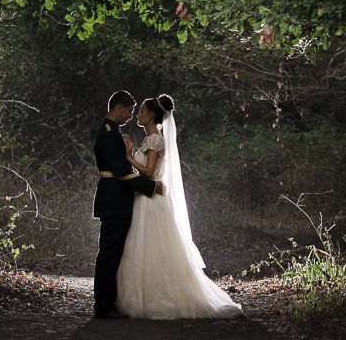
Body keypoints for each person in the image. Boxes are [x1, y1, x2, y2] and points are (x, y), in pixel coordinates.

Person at [116, 94, 243, 319]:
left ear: (152, 115)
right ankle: (143, 294)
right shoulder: (149, 139)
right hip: (144, 198)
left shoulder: (155, 139)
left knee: (154, 246)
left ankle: (160, 297)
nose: (139, 114)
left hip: (151, 200)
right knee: (142, 246)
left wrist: (129, 158)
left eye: (143, 111)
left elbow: (149, 172)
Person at [92, 90, 165, 319]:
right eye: (130, 110)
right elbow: (122, 172)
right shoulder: (108, 135)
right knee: (109, 253)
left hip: (117, 200)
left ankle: (108, 301)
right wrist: (151, 188)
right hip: (114, 200)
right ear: (119, 107)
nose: (131, 115)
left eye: (137, 111)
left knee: (113, 252)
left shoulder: (113, 133)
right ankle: (104, 304)